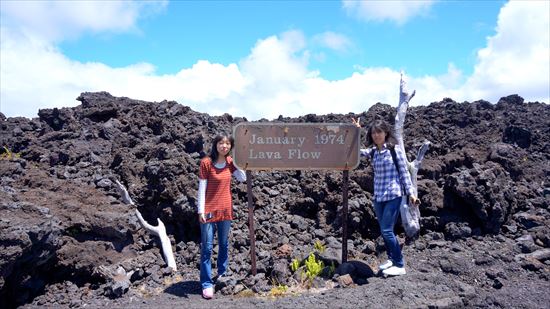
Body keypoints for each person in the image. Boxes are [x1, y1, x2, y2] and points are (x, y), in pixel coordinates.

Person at [352, 117, 419, 276]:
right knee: (384, 231)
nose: (376, 135)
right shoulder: (374, 152)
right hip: (379, 196)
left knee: (387, 230)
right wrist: (357, 131)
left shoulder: (395, 150)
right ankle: (391, 259)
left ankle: (399, 264)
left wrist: (411, 194)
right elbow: (356, 151)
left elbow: (404, 174)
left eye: (379, 132)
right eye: (373, 133)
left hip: (394, 195)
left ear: (386, 133)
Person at [197, 134, 246, 299]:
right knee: (207, 248)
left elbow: (242, 179)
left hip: (226, 210)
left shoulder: (230, 163)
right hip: (209, 211)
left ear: (230, 146)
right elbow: (201, 188)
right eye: (221, 143)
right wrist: (200, 211)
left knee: (224, 244)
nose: (224, 146)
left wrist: (239, 163)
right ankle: (206, 283)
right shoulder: (206, 163)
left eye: (227, 144)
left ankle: (222, 274)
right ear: (215, 144)